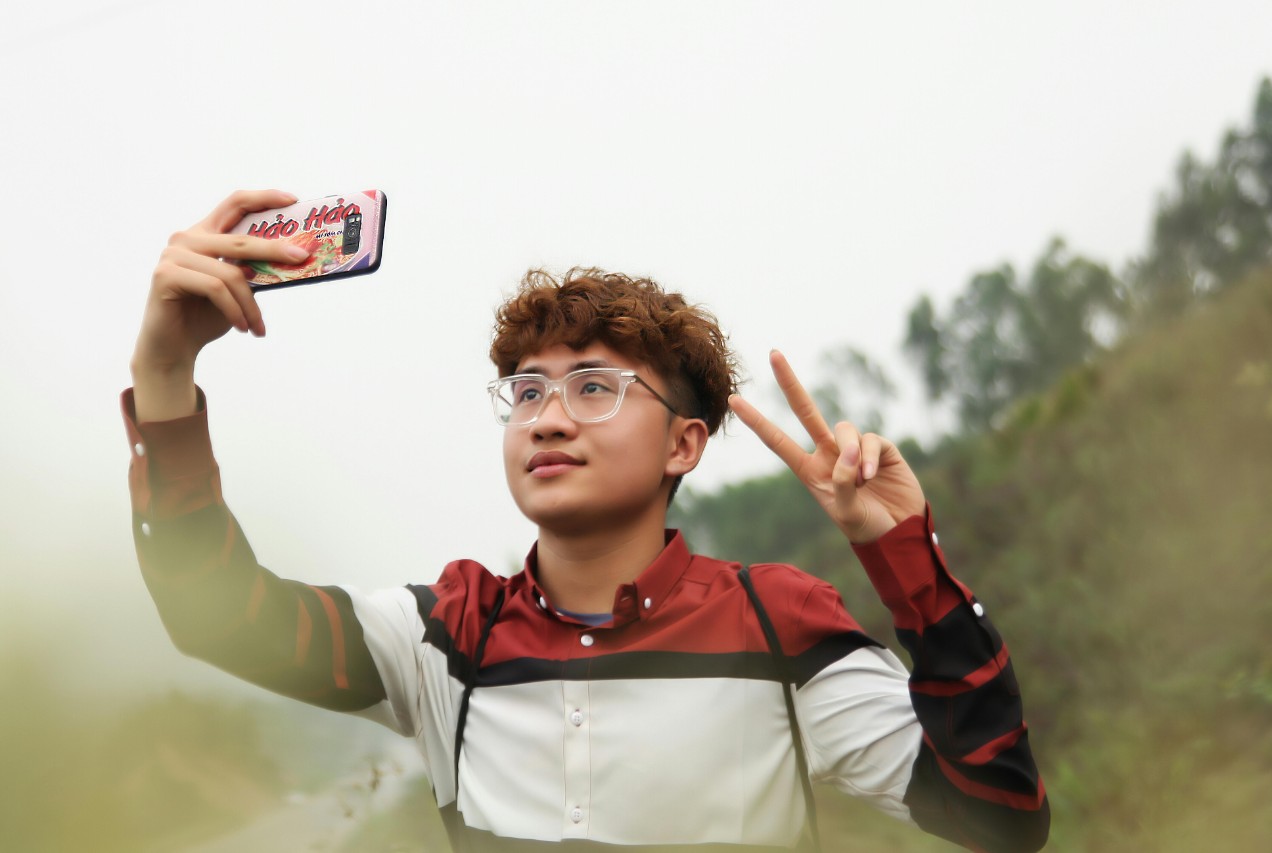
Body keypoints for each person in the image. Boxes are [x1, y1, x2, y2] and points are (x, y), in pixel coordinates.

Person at [124, 189, 1049, 852]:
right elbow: (217, 612)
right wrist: (165, 372)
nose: (549, 415)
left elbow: (1000, 812)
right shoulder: (448, 635)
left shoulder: (780, 625)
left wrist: (902, 555)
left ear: (685, 445)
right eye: (526, 390)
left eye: (595, 387)